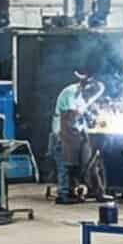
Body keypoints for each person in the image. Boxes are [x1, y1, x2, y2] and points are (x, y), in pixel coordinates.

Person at [53, 68, 104, 203]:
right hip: (62, 134)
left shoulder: (81, 96)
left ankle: (96, 191)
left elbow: (98, 91)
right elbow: (72, 115)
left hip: (76, 134)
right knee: (66, 165)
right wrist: (85, 112)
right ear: (83, 86)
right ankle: (63, 195)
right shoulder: (70, 93)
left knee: (89, 162)